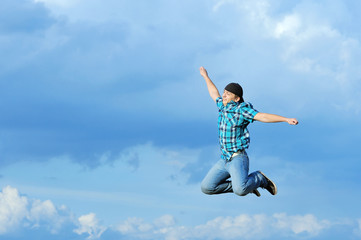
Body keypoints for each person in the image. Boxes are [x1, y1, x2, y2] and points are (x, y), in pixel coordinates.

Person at [199, 66, 298, 197]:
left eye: (228, 94)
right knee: (207, 187)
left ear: (236, 99)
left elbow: (262, 116)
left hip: (238, 158)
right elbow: (213, 93)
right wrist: (206, 76)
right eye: (224, 92)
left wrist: (285, 119)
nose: (224, 95)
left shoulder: (242, 110)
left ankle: (259, 179)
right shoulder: (222, 106)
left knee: (240, 191)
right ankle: (246, 185)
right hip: (225, 159)